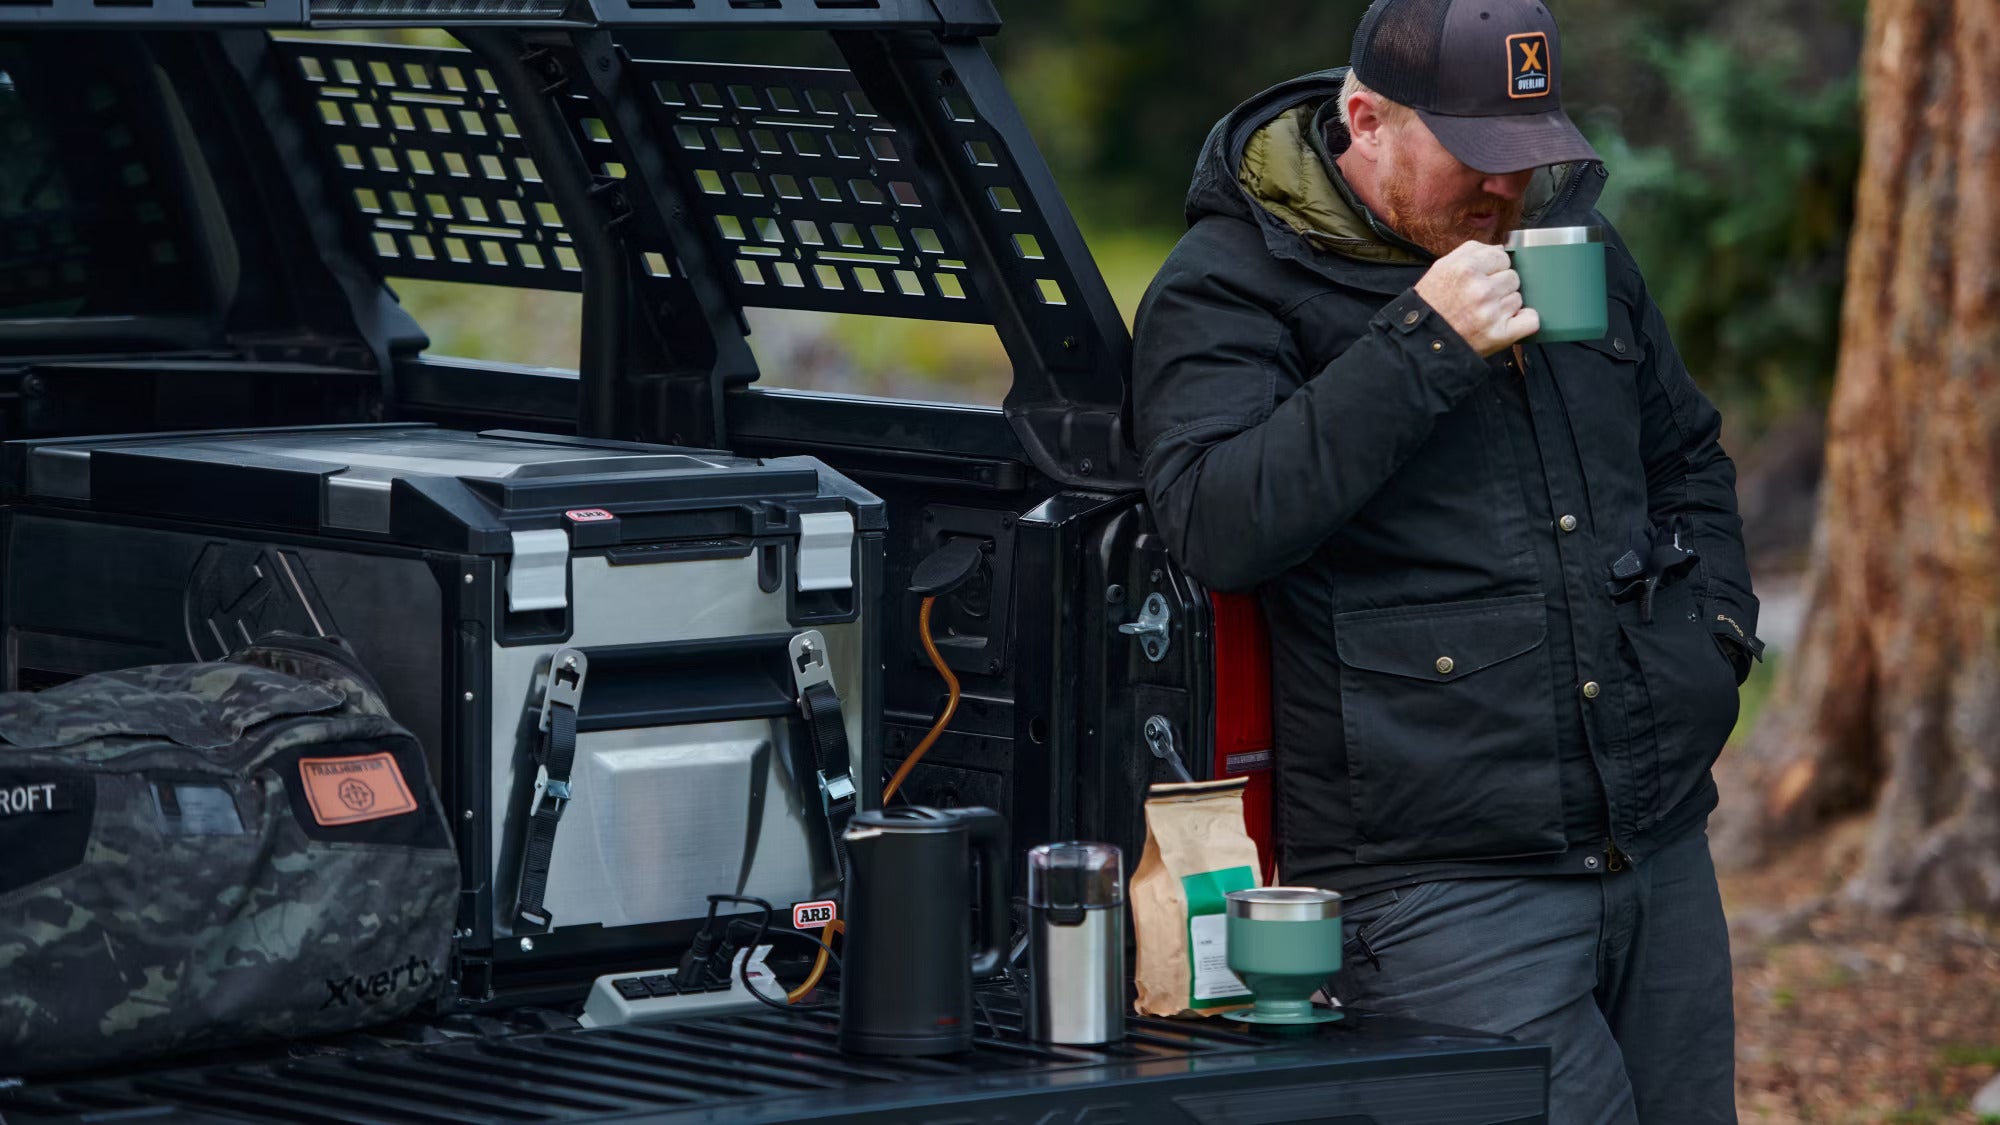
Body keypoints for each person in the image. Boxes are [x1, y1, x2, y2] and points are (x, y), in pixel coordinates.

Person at [1130, 0, 1763, 1122]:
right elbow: (1214, 522)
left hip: (1653, 845)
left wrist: (1710, 640)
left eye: (1529, 158)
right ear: (1365, 120)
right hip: (1440, 885)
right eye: (1476, 157)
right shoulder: (1228, 281)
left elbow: (1685, 456)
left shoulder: (1575, 250)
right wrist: (1421, 345)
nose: (1505, 192)